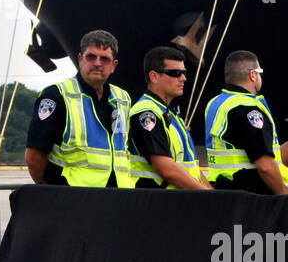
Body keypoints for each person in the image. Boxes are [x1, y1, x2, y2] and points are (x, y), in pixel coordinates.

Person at [25, 29, 135, 188]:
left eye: (104, 59)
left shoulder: (123, 99)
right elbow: (34, 157)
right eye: (91, 57)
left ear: (113, 66)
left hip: (119, 195)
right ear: (80, 59)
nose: (97, 63)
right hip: (74, 197)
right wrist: (54, 192)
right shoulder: (57, 96)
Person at [204, 50, 288, 194]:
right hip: (251, 194)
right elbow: (265, 166)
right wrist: (284, 195)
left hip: (223, 189)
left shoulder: (216, 103)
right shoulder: (248, 108)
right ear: (252, 75)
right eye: (260, 72)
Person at [128, 46, 210, 190]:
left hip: (184, 197)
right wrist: (207, 195)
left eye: (184, 72)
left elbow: (192, 166)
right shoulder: (146, 113)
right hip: (161, 200)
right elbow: (167, 170)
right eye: (175, 73)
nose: (183, 78)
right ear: (154, 76)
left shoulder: (171, 114)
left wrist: (213, 194)